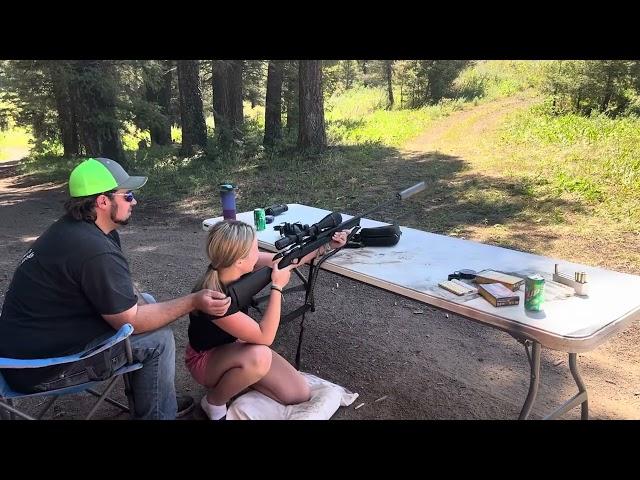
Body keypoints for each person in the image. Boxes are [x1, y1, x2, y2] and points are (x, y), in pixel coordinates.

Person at [0, 157, 231, 419]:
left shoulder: (82, 229)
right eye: (128, 195)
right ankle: (158, 413)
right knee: (159, 340)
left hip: (34, 342)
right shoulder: (93, 250)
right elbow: (129, 319)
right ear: (102, 201)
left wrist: (146, 305)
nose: (135, 202)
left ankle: (156, 399)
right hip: (40, 368)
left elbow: (123, 295)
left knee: (147, 299)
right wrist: (193, 301)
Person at [186, 219, 348, 420]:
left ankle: (240, 377)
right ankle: (214, 402)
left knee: (298, 393)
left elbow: (287, 261)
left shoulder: (231, 266)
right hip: (205, 360)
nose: (259, 253)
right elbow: (265, 337)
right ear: (239, 260)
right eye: (255, 249)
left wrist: (326, 245)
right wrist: (277, 287)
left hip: (232, 346)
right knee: (260, 357)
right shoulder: (216, 299)